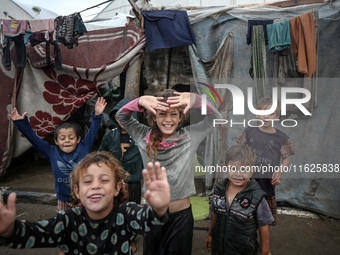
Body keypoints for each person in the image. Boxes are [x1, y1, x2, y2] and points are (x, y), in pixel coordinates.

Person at [0, 151, 170, 255]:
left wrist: (159, 209)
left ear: (118, 187)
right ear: (76, 191)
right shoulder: (67, 220)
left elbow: (149, 221)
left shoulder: (125, 213)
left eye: (104, 180)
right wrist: (10, 230)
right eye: (87, 181)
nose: (95, 185)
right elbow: (35, 234)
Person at [116, 89, 222, 254]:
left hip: (181, 218)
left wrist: (196, 99)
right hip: (151, 215)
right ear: (153, 117)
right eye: (162, 114)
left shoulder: (190, 135)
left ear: (181, 117)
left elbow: (216, 117)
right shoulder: (142, 135)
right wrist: (140, 101)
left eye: (173, 114)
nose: (168, 119)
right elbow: (121, 116)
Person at [9, 97, 107, 211]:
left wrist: (98, 114)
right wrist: (21, 123)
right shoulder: (52, 152)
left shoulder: (84, 147)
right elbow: (33, 139)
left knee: (84, 226)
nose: (67, 141)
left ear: (78, 139)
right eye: (62, 138)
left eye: (71, 137)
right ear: (56, 141)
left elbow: (93, 129)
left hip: (84, 198)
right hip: (63, 200)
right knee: (63, 226)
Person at [205, 144, 274, 255]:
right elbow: (215, 214)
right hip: (219, 248)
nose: (238, 174)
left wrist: (265, 251)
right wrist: (210, 235)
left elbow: (264, 225)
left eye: (244, 169)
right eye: (233, 168)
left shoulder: (257, 197)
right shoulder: (219, 190)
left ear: (252, 171)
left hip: (243, 250)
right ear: (225, 167)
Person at [237, 96, 294, 226]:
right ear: (257, 114)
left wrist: (279, 172)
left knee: (264, 219)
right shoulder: (249, 131)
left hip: (266, 181)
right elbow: (238, 150)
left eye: (271, 113)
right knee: (243, 213)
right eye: (263, 113)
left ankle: (264, 244)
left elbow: (286, 158)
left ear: (277, 116)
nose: (266, 116)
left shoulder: (281, 137)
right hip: (248, 179)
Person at [98, 98, 144, 253]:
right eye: (119, 115)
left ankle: (129, 240)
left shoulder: (142, 136)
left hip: (133, 182)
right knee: (112, 211)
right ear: (114, 117)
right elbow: (100, 157)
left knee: (131, 213)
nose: (123, 119)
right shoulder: (110, 136)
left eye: (128, 115)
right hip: (114, 183)